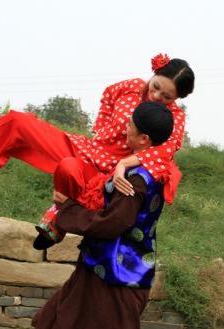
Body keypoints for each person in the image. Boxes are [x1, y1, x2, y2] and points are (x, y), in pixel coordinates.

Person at [0, 54, 194, 212]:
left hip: (110, 174)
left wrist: (124, 164)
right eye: (156, 87)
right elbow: (108, 96)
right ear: (153, 75)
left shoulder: (174, 118)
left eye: (166, 97)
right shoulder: (130, 87)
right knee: (20, 122)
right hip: (89, 150)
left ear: (177, 99)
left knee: (69, 170)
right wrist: (101, 128)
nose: (155, 96)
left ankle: (56, 219)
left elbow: (165, 151)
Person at [31, 101, 174, 329]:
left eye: (130, 124)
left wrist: (68, 208)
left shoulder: (135, 180)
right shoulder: (152, 168)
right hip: (103, 265)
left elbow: (112, 223)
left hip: (116, 277)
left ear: (144, 139)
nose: (126, 128)